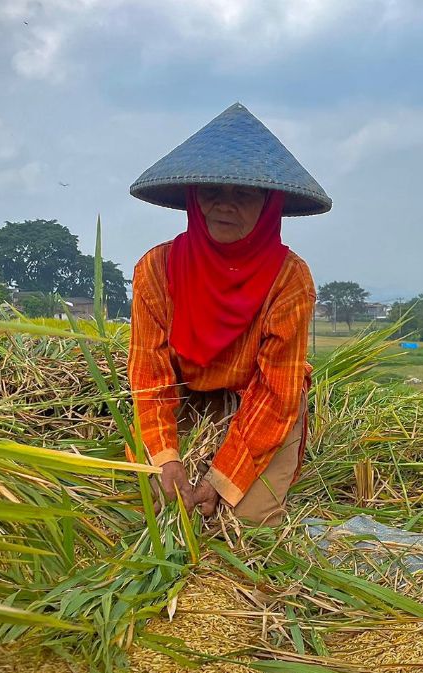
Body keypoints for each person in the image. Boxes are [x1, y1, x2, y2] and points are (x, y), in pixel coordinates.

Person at [127, 103, 331, 526]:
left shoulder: (289, 280)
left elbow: (277, 392)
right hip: (186, 394)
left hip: (256, 400)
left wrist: (221, 480)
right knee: (154, 504)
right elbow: (151, 377)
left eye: (244, 194)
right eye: (213, 192)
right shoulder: (157, 269)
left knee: (247, 521)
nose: (225, 206)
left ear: (269, 203)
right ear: (193, 198)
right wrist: (166, 459)